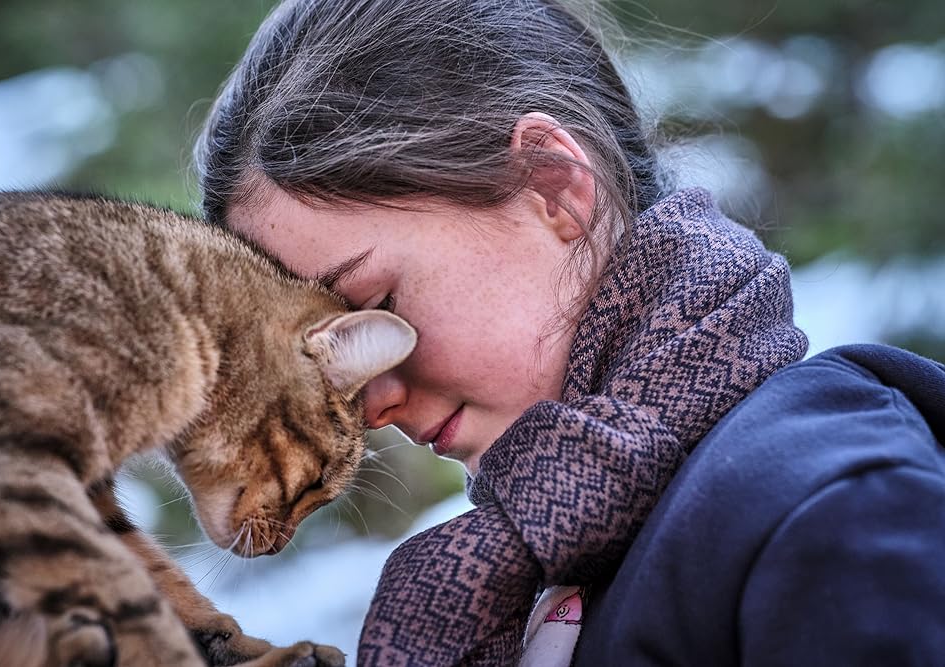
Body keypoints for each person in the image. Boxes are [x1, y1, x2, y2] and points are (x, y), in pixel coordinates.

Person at [194, 0, 945, 664]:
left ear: (553, 185)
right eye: (327, 365)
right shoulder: (545, 557)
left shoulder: (828, 508)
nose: (371, 403)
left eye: (376, 301)